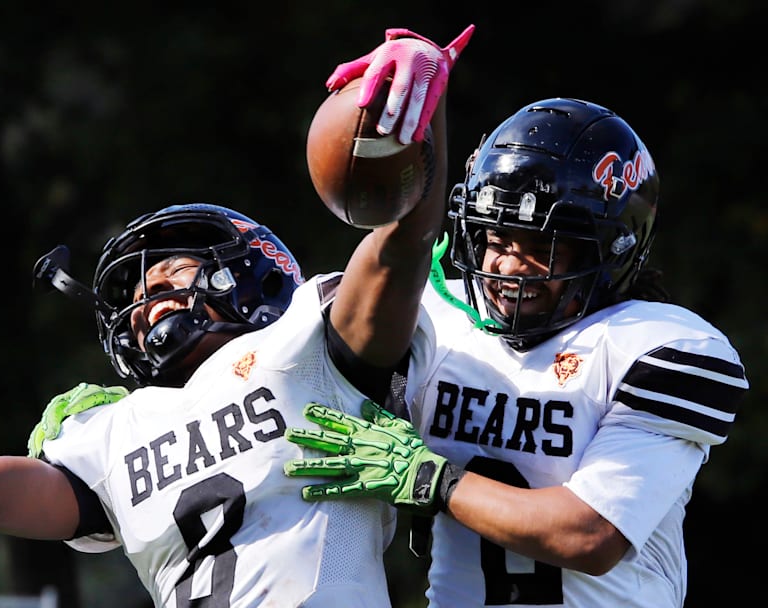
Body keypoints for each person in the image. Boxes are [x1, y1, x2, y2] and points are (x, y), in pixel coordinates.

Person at [0, 24, 475, 607]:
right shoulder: (109, 435)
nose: (151, 298)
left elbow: (403, 245)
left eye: (172, 270)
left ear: (256, 270)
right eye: (136, 294)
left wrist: (420, 111)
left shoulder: (313, 343)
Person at [280, 36, 751, 608]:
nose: (506, 265)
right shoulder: (440, 319)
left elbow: (588, 535)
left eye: (540, 248)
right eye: (496, 238)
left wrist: (433, 479)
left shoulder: (657, 346)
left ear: (611, 247)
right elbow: (325, 329)